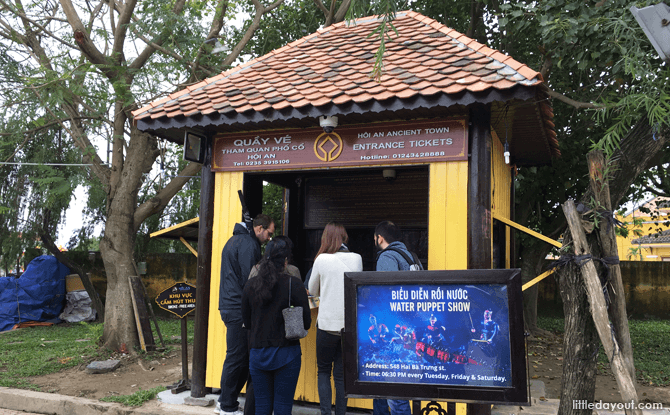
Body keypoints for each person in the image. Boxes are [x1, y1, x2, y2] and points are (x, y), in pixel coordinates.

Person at [242, 237, 311, 415]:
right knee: (282, 408)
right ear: (286, 261)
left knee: (262, 408)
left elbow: (247, 322)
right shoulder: (293, 284)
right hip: (287, 355)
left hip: (258, 355)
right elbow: (307, 323)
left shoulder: (250, 286)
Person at [218, 214, 275, 415]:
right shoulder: (248, 244)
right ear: (259, 228)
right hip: (237, 308)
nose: (269, 238)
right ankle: (227, 405)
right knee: (237, 357)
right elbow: (250, 280)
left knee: (238, 356)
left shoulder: (235, 240)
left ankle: (226, 399)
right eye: (269, 233)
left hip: (230, 306)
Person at [308, 222, 363, 415]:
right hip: (348, 327)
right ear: (344, 238)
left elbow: (312, 291)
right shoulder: (357, 259)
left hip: (326, 326)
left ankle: (325, 412)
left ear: (327, 239)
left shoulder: (321, 259)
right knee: (341, 376)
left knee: (323, 371)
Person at [372, 220, 422, 415]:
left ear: (380, 238)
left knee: (391, 386)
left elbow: (385, 294)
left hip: (394, 329)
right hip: (411, 329)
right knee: (403, 381)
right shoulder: (413, 258)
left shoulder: (386, 257)